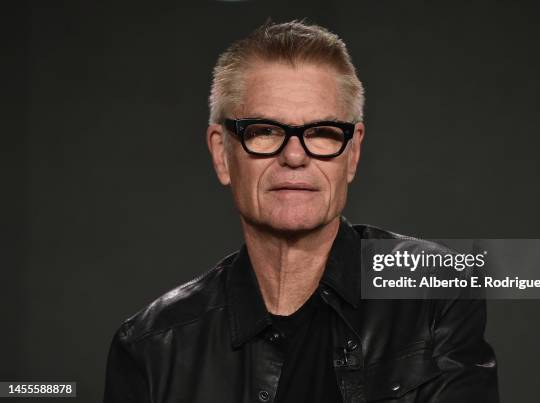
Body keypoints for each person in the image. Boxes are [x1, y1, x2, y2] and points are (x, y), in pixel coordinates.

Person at [104, 20, 499, 403]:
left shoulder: (435, 291)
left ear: (353, 153)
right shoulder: (150, 348)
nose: (294, 156)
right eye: (265, 131)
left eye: (323, 133)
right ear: (222, 154)